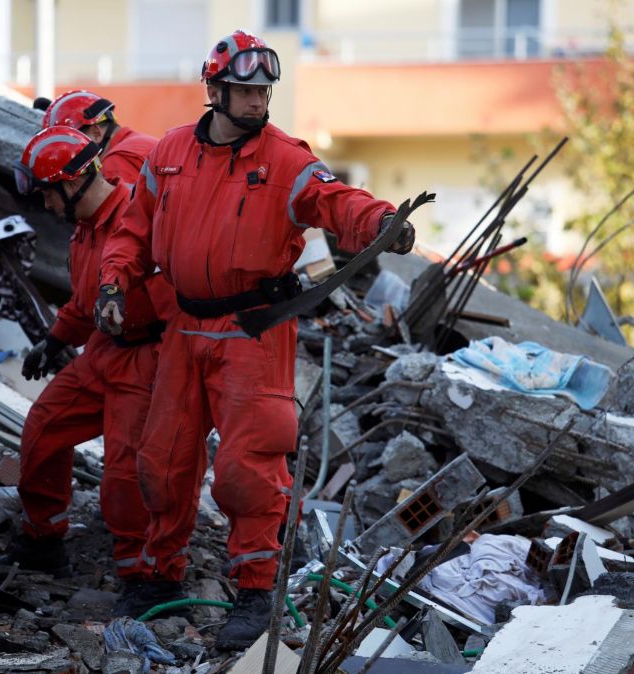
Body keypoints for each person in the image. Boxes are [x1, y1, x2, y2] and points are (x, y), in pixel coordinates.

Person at [95, 30, 417, 650]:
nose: (256, 101)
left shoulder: (286, 160)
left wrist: (381, 222)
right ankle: (160, 577)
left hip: (253, 330)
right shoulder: (167, 155)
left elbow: (334, 199)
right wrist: (113, 282)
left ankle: (254, 590)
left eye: (263, 90)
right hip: (184, 329)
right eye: (244, 90)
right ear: (215, 92)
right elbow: (131, 229)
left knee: (248, 468)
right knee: (161, 462)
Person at [9, 126, 180, 608]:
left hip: (146, 358)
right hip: (104, 352)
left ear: (73, 182)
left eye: (47, 194)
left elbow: (176, 303)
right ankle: (43, 539)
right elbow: (86, 301)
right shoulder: (84, 231)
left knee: (125, 474)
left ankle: (144, 578)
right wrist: (55, 339)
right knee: (43, 430)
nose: (45, 206)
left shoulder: (138, 219)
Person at [39, 90, 157, 185]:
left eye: (73, 143)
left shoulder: (114, 165)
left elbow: (130, 214)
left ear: (96, 133)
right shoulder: (139, 142)